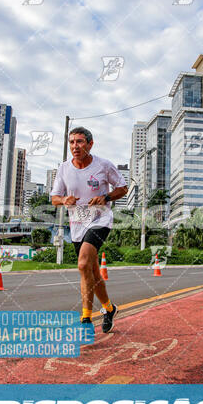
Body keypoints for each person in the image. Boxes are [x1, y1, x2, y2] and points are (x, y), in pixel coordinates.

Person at [50, 127, 128, 332]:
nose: (75, 146)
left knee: (83, 263)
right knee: (91, 271)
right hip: (77, 225)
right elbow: (54, 197)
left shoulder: (103, 165)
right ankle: (109, 309)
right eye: (72, 142)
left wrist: (106, 197)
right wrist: (63, 199)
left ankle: (85, 319)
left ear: (90, 144)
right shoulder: (64, 168)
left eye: (80, 142)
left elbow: (123, 188)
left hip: (100, 220)